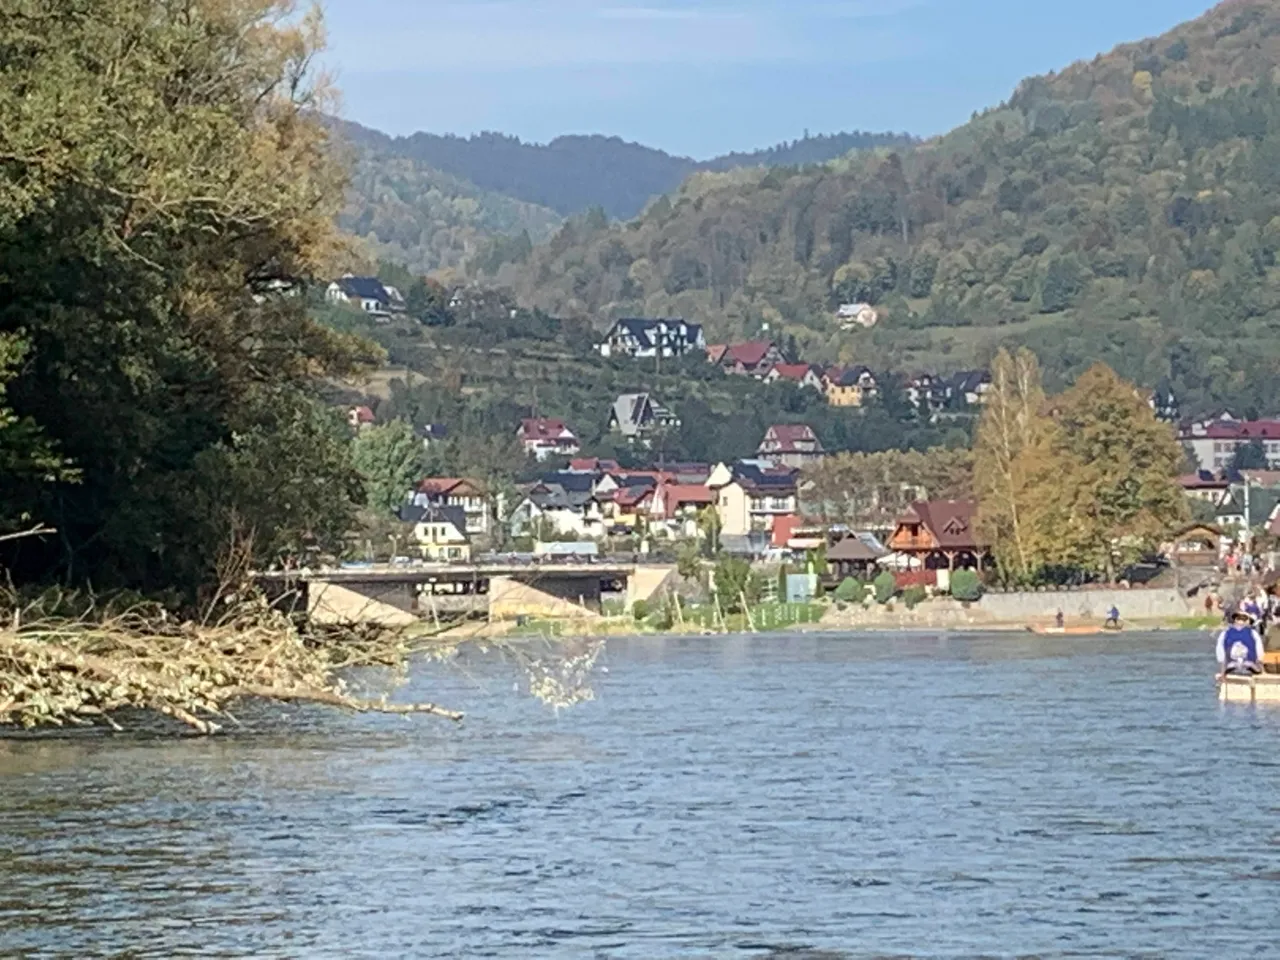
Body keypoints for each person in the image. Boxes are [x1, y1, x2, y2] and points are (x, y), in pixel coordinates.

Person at [1217, 608, 1266, 676]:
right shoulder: (1225, 633)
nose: (1241, 620)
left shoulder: (1253, 633)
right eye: (1239, 618)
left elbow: (1259, 650)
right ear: (1235, 620)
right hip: (1237, 664)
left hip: (1244, 664)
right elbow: (1220, 651)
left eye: (1243, 618)